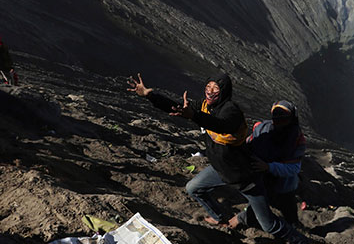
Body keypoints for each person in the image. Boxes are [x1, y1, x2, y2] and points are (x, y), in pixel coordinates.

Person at [127, 73, 309, 243]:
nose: (210, 91)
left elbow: (222, 125)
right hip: (221, 168)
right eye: (208, 86)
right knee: (193, 188)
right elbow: (178, 107)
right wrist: (150, 95)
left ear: (224, 91)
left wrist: (195, 116)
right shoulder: (204, 106)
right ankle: (221, 219)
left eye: (215, 88)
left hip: (244, 176)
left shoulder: (232, 111)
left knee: (268, 224)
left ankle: (302, 240)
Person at [229, 100, 306, 229]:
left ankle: (294, 227)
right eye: (276, 115)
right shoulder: (263, 129)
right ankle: (241, 219)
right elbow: (248, 144)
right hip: (261, 180)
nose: (279, 120)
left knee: (289, 212)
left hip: (284, 185)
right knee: (259, 206)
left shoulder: (296, 139)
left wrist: (269, 167)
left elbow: (294, 168)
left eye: (283, 117)